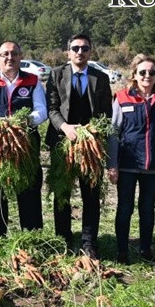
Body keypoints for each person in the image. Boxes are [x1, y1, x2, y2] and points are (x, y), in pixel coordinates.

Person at [0, 41, 47, 238]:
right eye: (4, 54)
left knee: (29, 191)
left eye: (13, 54)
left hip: (25, 148)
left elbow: (42, 110)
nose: (9, 58)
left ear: (20, 57)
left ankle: (31, 237)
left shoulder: (33, 81)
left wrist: (26, 121)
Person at [45, 33, 113, 257]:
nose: (80, 52)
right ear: (68, 52)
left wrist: (91, 132)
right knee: (62, 194)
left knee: (91, 194)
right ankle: (63, 240)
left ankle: (88, 243)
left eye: (84, 48)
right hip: (62, 142)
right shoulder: (56, 75)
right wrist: (65, 127)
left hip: (91, 144)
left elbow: (106, 113)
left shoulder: (100, 78)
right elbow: (52, 109)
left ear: (90, 52)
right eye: (75, 48)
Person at [107, 54, 155, 264]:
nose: (147, 76)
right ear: (134, 74)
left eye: (152, 72)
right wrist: (112, 164)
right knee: (124, 207)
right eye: (143, 72)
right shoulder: (122, 97)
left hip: (153, 166)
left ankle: (146, 249)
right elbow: (114, 133)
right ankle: (122, 250)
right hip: (127, 164)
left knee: (147, 209)